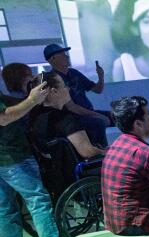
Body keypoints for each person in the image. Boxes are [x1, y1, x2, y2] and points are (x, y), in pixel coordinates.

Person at [0, 78, 79, 237]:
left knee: (5, 208)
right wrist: (32, 100)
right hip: (13, 157)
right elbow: (3, 118)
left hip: (5, 158)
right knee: (38, 202)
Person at [101, 96, 149, 237]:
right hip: (137, 225)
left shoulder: (116, 145)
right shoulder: (147, 154)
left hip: (115, 222)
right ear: (138, 124)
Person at [27, 71, 106, 200]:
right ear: (54, 91)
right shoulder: (65, 120)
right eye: (64, 85)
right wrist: (107, 152)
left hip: (54, 174)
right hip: (75, 174)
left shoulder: (35, 116)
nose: (68, 89)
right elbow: (88, 152)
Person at [43, 43, 112, 146]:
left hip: (88, 112)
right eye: (62, 54)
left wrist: (101, 76)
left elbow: (97, 90)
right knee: (98, 122)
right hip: (72, 118)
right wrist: (98, 116)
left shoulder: (74, 73)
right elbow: (72, 108)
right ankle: (101, 152)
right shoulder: (53, 79)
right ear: (53, 59)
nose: (67, 56)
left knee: (116, 116)